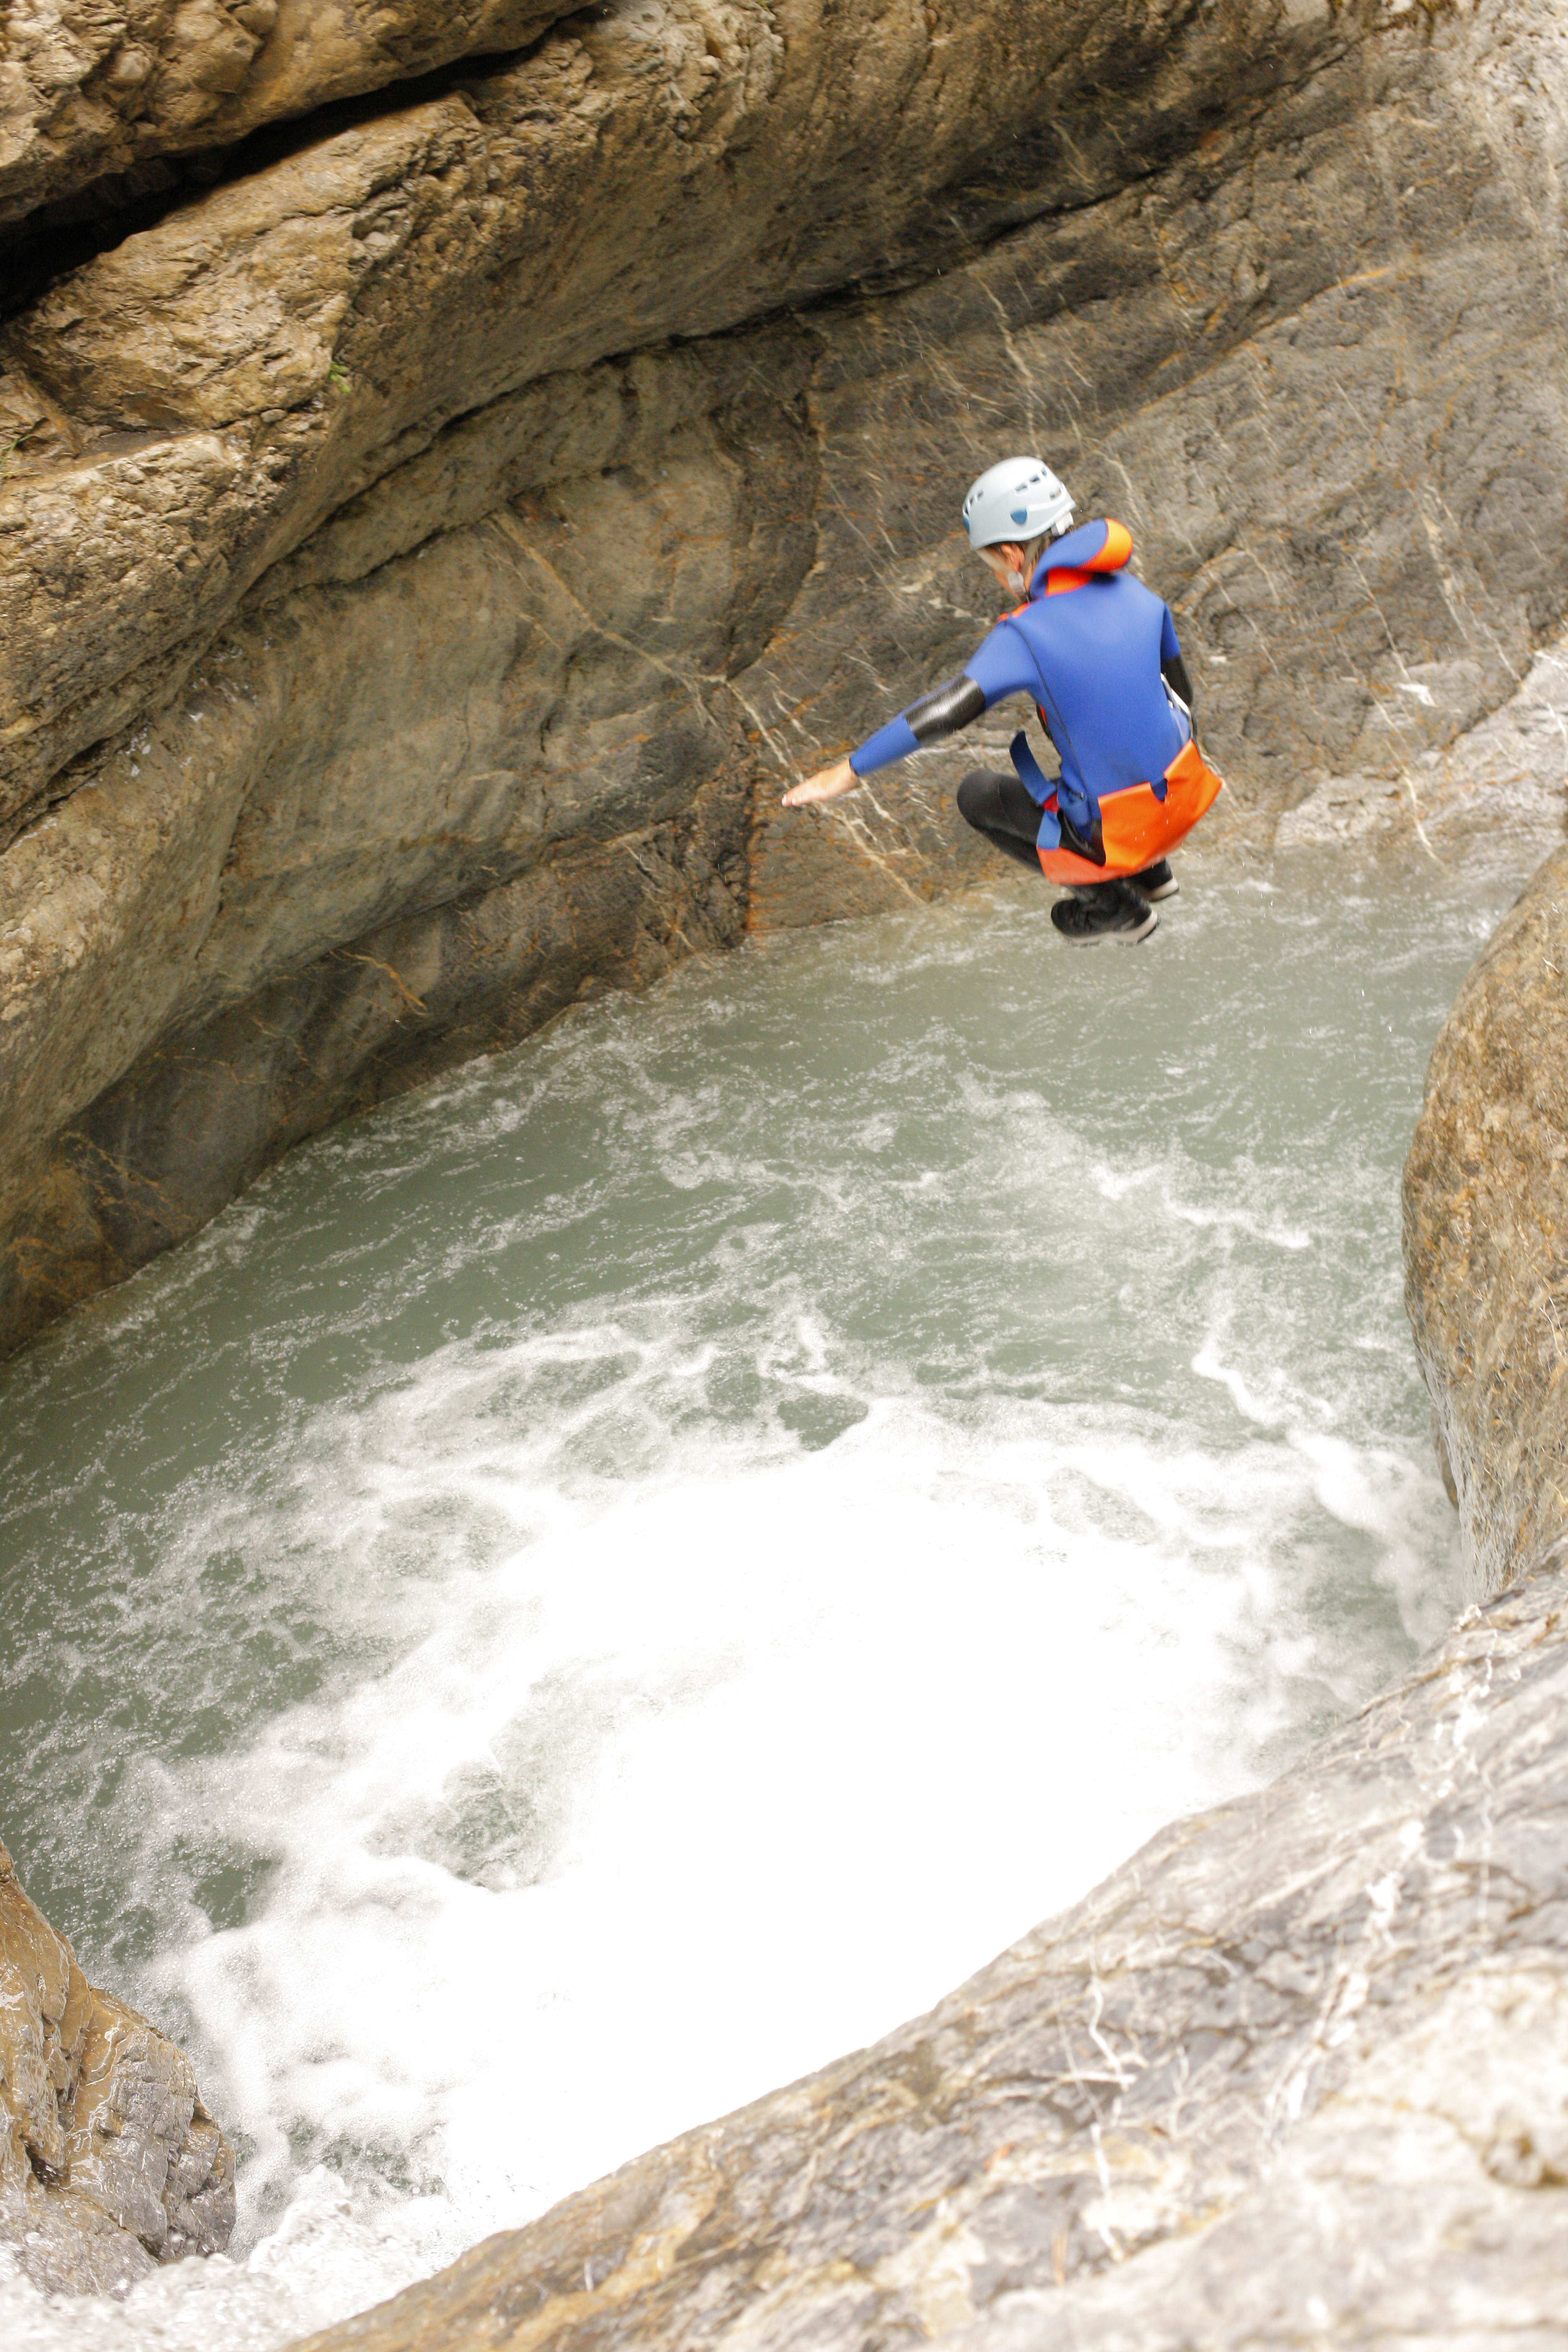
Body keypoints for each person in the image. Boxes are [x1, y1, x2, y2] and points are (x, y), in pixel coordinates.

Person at [781, 458, 1222, 944]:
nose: (997, 576)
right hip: (1184, 801)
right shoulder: (1137, 593)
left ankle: (1115, 908)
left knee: (977, 794)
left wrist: (846, 772)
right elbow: (1182, 697)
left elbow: (948, 710)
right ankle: (1154, 874)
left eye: (991, 564)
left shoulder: (1027, 632)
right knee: (1119, 725)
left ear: (1013, 555)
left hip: (1115, 835)